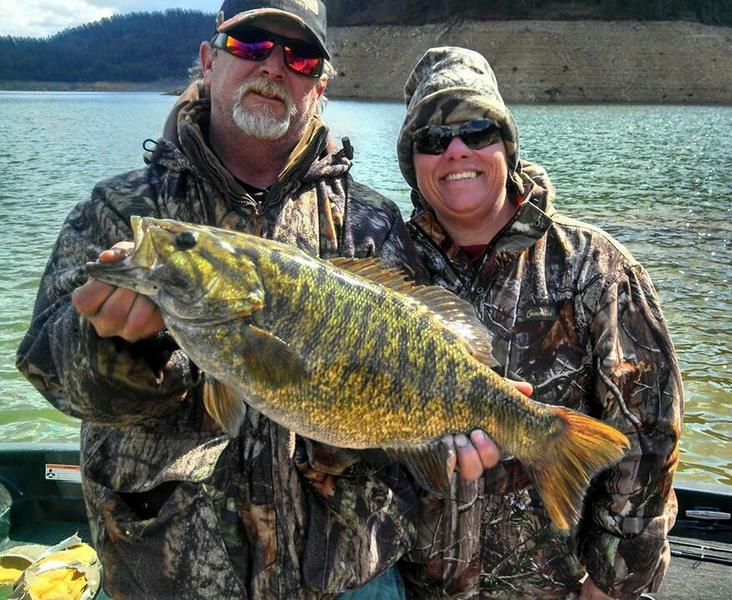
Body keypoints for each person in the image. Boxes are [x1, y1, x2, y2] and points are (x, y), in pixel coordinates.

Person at [14, 4, 497, 598]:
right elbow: (46, 368)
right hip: (170, 577)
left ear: (319, 86)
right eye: (249, 44)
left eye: (299, 56)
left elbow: (406, 395)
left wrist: (446, 432)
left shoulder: (369, 223)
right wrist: (114, 346)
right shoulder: (122, 211)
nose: (273, 66)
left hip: (346, 579)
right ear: (208, 60)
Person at [394, 46, 684, 600]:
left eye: (477, 130)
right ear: (413, 162)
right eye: (431, 140)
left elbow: (650, 438)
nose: (455, 151)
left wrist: (609, 583)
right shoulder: (391, 267)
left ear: (506, 144)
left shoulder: (595, 266)